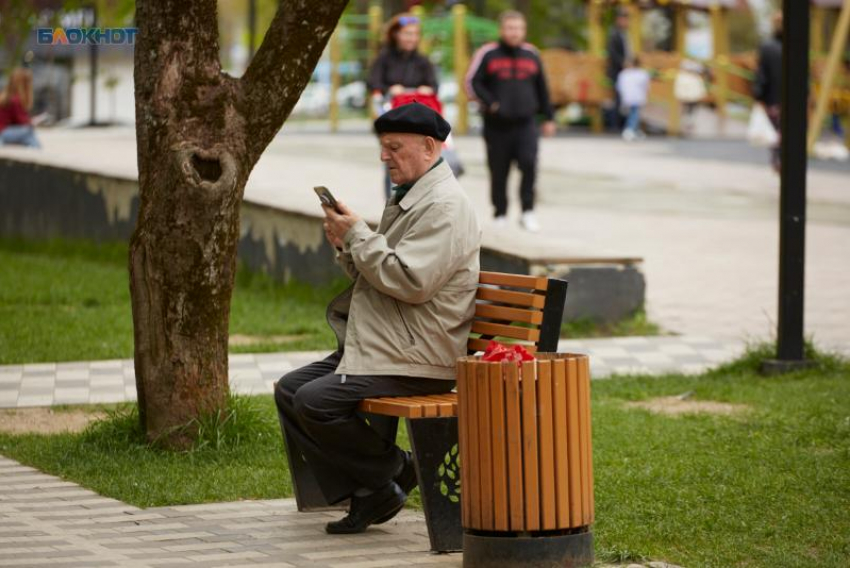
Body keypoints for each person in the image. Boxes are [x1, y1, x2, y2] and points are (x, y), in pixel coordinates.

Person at [274, 102, 481, 535]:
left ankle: (395, 470)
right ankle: (375, 489)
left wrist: (358, 236)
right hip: (390, 342)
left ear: (428, 147)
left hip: (420, 354)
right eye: (382, 148)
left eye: (393, 147)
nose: (384, 157)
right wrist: (347, 243)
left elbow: (410, 281)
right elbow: (380, 275)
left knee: (315, 401)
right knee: (290, 389)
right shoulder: (412, 196)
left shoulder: (443, 206)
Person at [466, 10, 555, 233]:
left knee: (529, 164)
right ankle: (500, 213)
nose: (514, 33)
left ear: (524, 31)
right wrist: (492, 104)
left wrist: (549, 117)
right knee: (499, 170)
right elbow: (472, 83)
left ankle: (527, 211)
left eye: (518, 28)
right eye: (510, 28)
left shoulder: (532, 54)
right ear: (502, 30)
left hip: (526, 123)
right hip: (497, 126)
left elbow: (542, 88)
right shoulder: (488, 53)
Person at [367, 13, 439, 199]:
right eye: (407, 33)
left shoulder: (422, 61)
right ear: (396, 35)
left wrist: (426, 89)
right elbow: (373, 84)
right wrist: (390, 89)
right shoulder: (384, 59)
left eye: (415, 34)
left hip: (416, 124)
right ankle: (392, 204)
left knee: (418, 164)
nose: (411, 38)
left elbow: (434, 86)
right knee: (394, 162)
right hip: (391, 119)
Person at [753, 12, 782, 172]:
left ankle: (777, 158)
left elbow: (761, 74)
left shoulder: (767, 47)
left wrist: (758, 95)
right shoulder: (798, 45)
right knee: (784, 129)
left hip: (773, 98)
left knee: (776, 129)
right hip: (787, 98)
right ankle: (781, 158)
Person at [0, 68, 41, 149]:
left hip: (4, 131)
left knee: (28, 135)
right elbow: (22, 122)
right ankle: (36, 150)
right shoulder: (16, 100)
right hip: (3, 133)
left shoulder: (6, 97)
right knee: (28, 131)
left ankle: (35, 149)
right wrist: (33, 122)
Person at [606, 8, 632, 131]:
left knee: (623, 98)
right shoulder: (614, 34)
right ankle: (615, 125)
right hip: (617, 71)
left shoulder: (624, 34)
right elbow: (612, 53)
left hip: (624, 71)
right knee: (617, 98)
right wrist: (623, 63)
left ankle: (621, 123)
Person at [616, 56, 650, 141]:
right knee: (634, 113)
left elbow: (619, 86)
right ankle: (630, 130)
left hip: (629, 97)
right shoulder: (642, 73)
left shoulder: (624, 73)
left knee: (633, 113)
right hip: (637, 96)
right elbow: (646, 86)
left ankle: (635, 130)